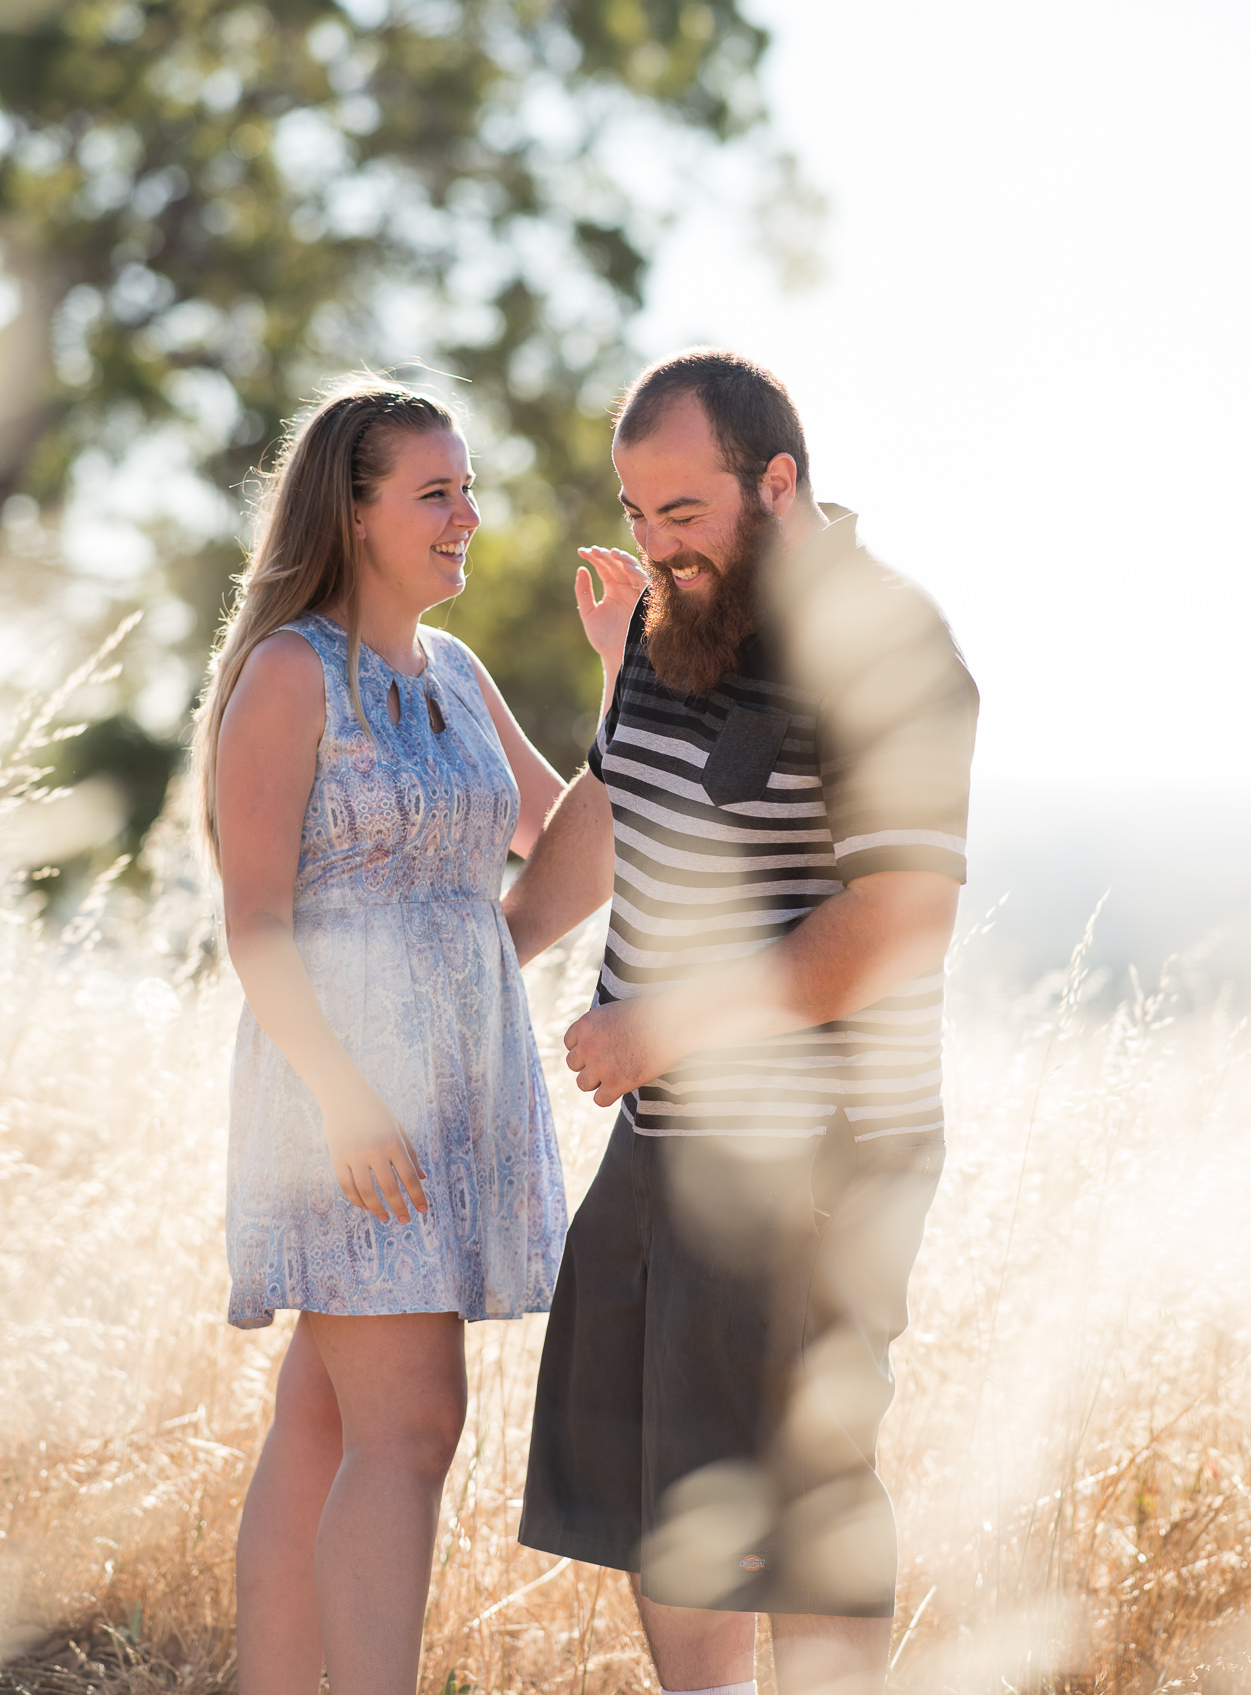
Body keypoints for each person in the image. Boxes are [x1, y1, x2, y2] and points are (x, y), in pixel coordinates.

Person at [505, 350, 979, 1695]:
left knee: (806, 1509)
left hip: (821, 1156)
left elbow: (897, 922)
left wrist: (668, 1028)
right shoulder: (669, 625)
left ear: (777, 483)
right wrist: (504, 948)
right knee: (678, 1501)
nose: (656, 546)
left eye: (685, 515)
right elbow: (619, 795)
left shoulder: (886, 644)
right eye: (638, 515)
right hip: (670, 1141)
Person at [191, 379, 640, 1695]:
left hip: (452, 1092)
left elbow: (566, 849)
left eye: (468, 488)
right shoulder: (287, 676)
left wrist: (625, 686)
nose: (470, 517)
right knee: (413, 1423)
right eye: (436, 493)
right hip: (345, 1098)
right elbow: (257, 923)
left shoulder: (450, 671)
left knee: (327, 1420)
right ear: (357, 510)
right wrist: (344, 1102)